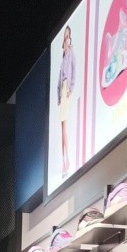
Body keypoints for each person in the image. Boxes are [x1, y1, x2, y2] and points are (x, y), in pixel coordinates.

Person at [57, 25, 74, 176]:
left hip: (66, 89)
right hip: (62, 91)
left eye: (68, 37)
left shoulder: (71, 54)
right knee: (62, 125)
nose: (66, 39)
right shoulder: (63, 57)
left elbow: (73, 72)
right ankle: (64, 160)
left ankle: (66, 159)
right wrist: (59, 95)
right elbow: (59, 78)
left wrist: (70, 88)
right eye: (64, 37)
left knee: (64, 125)